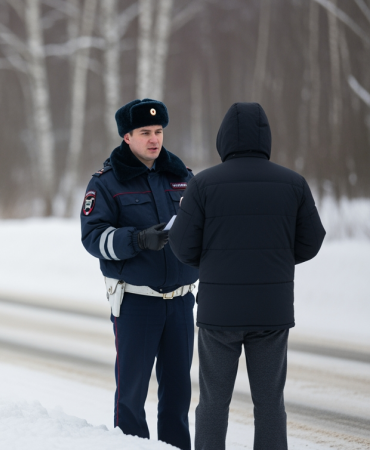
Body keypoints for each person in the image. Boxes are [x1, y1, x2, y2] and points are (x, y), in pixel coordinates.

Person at [168, 102, 326, 450]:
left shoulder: (204, 185)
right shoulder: (294, 184)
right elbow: (312, 241)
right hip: (272, 312)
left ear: (223, 138)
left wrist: (210, 262)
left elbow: (181, 245)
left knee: (212, 404)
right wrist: (278, 259)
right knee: (270, 404)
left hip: (218, 315)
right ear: (266, 138)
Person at [80, 98, 199, 450]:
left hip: (180, 303)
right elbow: (92, 238)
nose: (154, 139)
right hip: (136, 302)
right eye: (145, 132)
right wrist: (137, 239)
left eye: (158, 131)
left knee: (177, 397)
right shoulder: (105, 183)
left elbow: (201, 230)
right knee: (131, 397)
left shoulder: (183, 177)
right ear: (127, 137)